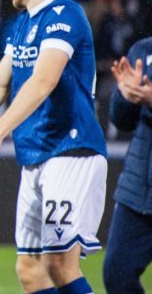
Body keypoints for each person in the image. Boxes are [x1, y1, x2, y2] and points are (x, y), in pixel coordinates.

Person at [0, 0, 106, 294]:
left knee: (59, 264)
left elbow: (44, 80)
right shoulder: (23, 25)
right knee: (29, 269)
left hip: (70, 152)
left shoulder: (66, 14)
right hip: (36, 156)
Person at [104, 40, 152, 294]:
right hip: (138, 191)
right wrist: (125, 94)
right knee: (117, 274)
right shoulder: (143, 51)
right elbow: (121, 120)